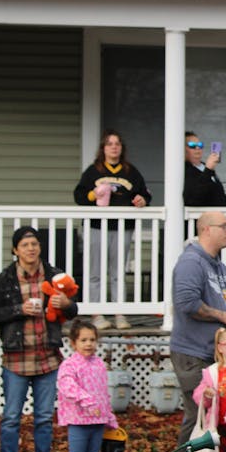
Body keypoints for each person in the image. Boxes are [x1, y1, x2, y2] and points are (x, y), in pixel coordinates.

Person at [0, 226, 79, 452]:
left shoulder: (54, 275)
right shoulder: (5, 279)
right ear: (15, 250)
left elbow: (73, 309)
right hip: (15, 359)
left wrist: (67, 305)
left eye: (34, 244)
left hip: (47, 357)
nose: (31, 249)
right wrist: (19, 308)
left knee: (43, 418)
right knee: (11, 418)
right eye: (25, 245)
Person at [170, 210, 226, 446]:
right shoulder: (191, 262)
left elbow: (221, 304)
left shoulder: (220, 267)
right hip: (192, 353)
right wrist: (224, 316)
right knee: (198, 415)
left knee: (210, 417)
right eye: (224, 226)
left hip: (213, 353)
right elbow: (187, 303)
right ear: (206, 229)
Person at [72, 128, 152, 330]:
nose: (114, 147)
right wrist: (94, 195)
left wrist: (142, 200)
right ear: (103, 149)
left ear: (121, 148)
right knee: (95, 271)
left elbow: (144, 194)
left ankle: (119, 312)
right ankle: (97, 313)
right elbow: (79, 196)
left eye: (117, 144)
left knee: (118, 271)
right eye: (110, 144)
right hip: (97, 226)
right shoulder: (94, 171)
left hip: (122, 227)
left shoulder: (130, 172)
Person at [56, 320, 117, 452]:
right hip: (78, 420)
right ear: (73, 343)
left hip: (97, 420)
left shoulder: (99, 363)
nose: (89, 344)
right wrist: (87, 401)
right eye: (83, 340)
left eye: (92, 339)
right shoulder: (69, 365)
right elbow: (67, 387)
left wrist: (109, 415)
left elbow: (103, 393)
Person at [183, 131, 226, 209]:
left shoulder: (205, 166)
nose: (197, 148)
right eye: (192, 145)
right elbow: (193, 199)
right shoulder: (184, 170)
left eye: (200, 145)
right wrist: (208, 170)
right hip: (205, 218)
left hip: (221, 216)